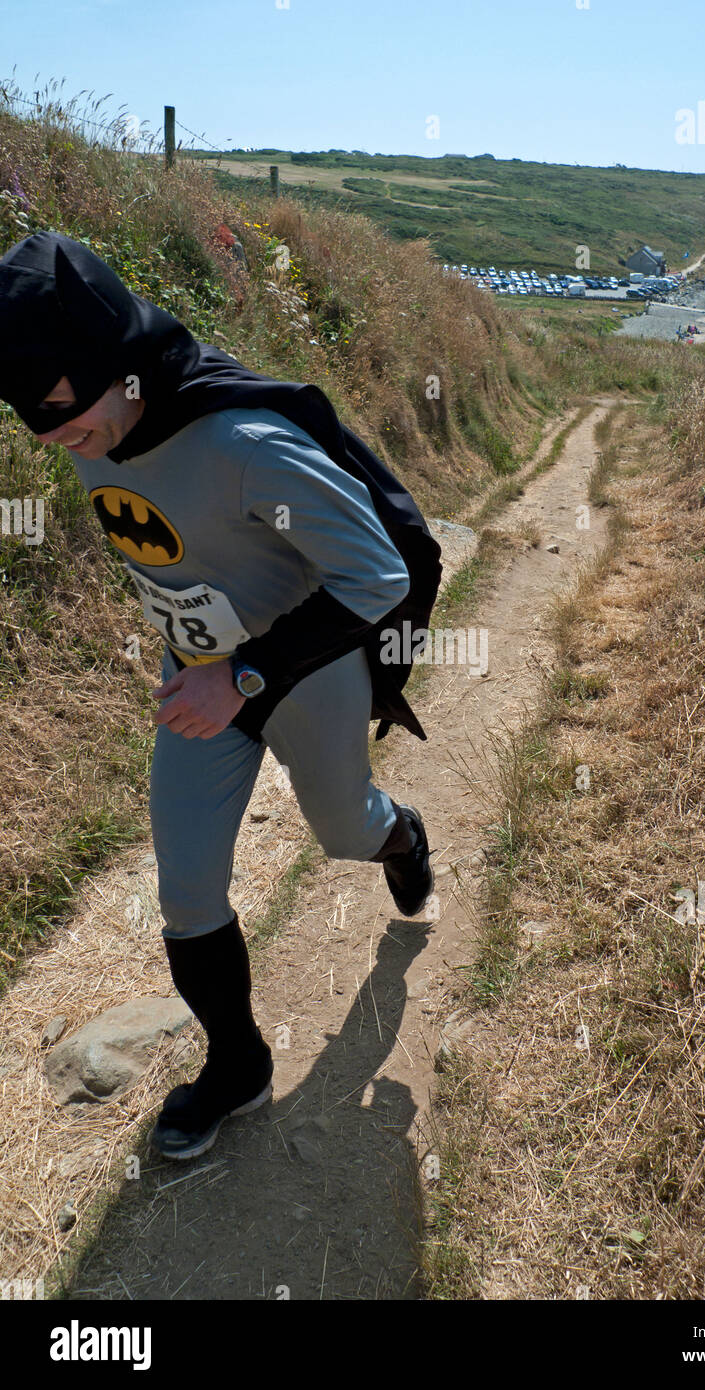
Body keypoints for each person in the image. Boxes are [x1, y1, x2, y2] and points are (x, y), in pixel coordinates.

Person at [0, 231, 442, 1161]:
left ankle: (397, 832)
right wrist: (199, 661)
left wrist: (241, 674)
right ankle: (237, 1066)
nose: (50, 439)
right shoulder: (95, 418)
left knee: (342, 832)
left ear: (120, 369)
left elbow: (381, 576)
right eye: (27, 416)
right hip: (194, 682)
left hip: (302, 676)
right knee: (187, 886)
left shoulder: (246, 445)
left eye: (57, 411)